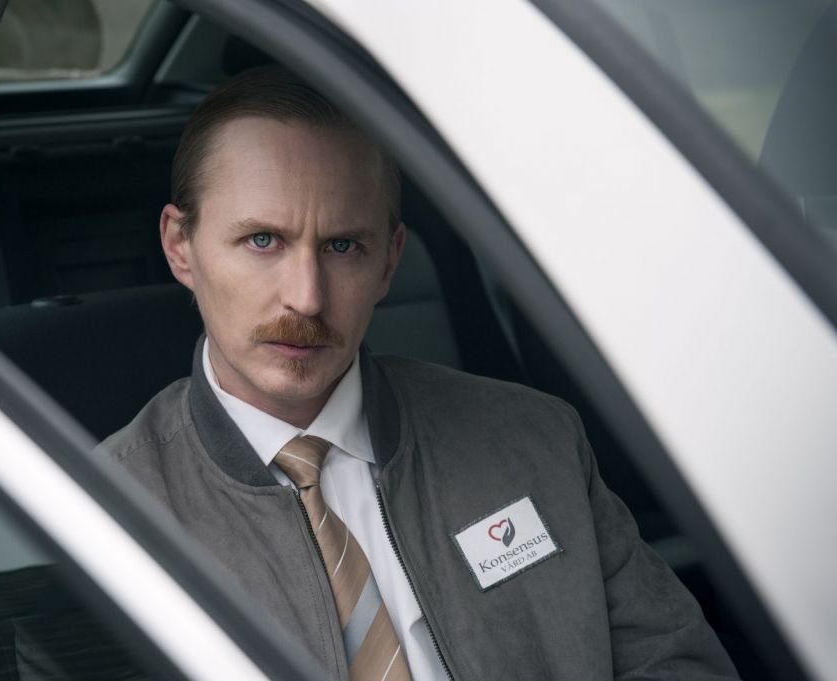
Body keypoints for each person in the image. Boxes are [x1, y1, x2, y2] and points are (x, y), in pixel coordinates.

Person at [99, 65, 739, 680]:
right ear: (180, 247)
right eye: (262, 240)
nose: (307, 298)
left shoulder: (534, 439)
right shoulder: (105, 514)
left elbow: (677, 663)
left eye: (343, 246)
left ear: (389, 261)